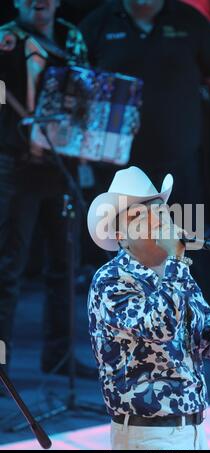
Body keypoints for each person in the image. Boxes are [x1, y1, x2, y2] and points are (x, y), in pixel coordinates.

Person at [87, 166, 210, 450]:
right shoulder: (111, 280)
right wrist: (178, 264)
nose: (155, 217)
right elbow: (159, 328)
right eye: (138, 215)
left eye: (159, 209)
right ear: (120, 234)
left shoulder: (176, 274)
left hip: (192, 429)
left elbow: (203, 341)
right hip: (146, 435)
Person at [0, 0, 95, 378]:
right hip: (14, 164)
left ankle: (59, 357)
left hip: (60, 164)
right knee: (8, 267)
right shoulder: (5, 39)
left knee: (65, 264)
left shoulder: (71, 37)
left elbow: (89, 93)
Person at [80, 0, 210, 205]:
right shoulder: (97, 22)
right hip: (114, 166)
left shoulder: (190, 20)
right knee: (117, 236)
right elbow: (77, 87)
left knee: (186, 235)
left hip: (179, 162)